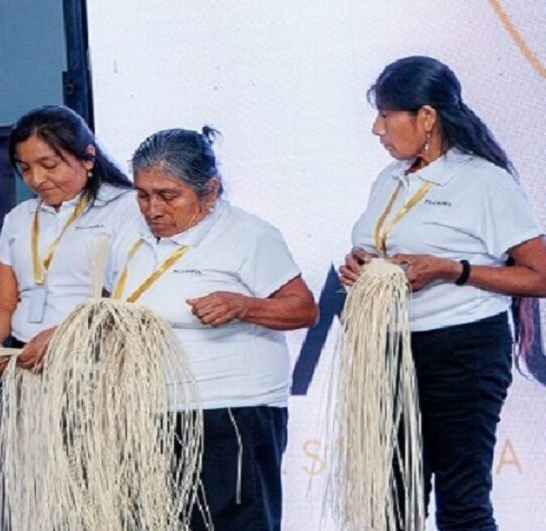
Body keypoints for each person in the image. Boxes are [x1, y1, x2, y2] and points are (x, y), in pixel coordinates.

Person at [339, 56, 546, 530]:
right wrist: (360, 264)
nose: (377, 128)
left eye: (387, 115)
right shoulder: (390, 178)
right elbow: (381, 247)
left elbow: (540, 274)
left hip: (463, 348)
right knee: (391, 499)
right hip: (390, 349)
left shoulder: (483, 180)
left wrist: (453, 270)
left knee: (462, 501)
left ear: (426, 117)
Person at [105, 127, 318, 531]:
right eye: (143, 194)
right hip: (153, 411)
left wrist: (244, 306)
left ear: (210, 191)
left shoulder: (248, 235)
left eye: (168, 196)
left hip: (232, 410)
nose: (153, 209)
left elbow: (304, 310)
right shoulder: (128, 236)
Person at [0, 105, 136, 367]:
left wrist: (66, 335)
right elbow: (0, 301)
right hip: (27, 360)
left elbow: (127, 299)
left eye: (49, 165)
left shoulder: (127, 208)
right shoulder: (19, 217)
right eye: (25, 168)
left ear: (88, 158)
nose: (37, 179)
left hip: (95, 360)